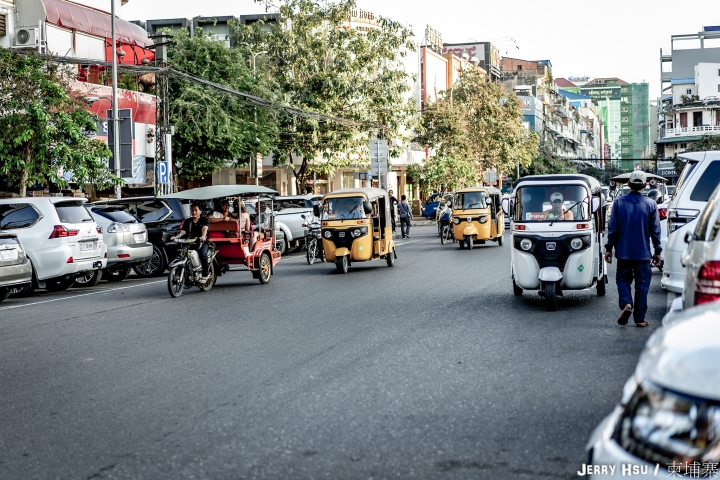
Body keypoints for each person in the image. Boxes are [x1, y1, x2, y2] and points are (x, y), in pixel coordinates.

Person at [604, 171, 662, 328]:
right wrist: (657, 250)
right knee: (642, 285)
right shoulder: (651, 204)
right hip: (643, 253)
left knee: (623, 280)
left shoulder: (618, 202)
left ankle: (626, 303)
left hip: (623, 252)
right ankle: (640, 319)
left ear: (629, 185)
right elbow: (655, 230)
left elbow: (613, 228)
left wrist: (608, 248)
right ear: (644, 186)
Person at [170, 203, 211, 283]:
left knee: (202, 254)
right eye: (192, 210)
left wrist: (203, 236)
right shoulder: (188, 221)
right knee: (181, 253)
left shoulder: (204, 220)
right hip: (190, 242)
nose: (194, 212)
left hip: (202, 241)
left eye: (196, 210)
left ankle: (205, 274)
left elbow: (204, 229)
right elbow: (183, 231)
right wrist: (176, 237)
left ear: (200, 211)